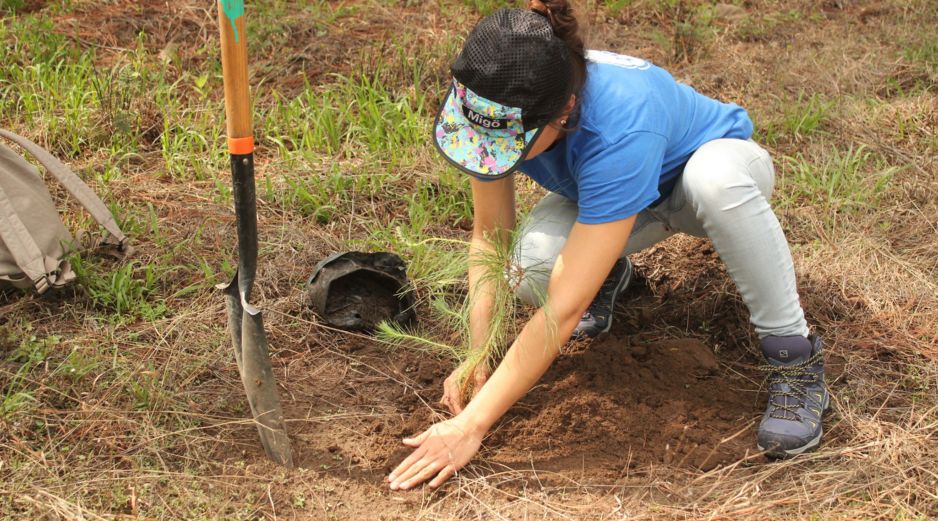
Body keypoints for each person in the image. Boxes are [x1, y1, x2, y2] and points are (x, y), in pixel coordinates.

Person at [387, 1, 828, 491]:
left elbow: (563, 309)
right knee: (525, 269)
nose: (490, 153)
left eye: (510, 143)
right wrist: (477, 354)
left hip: (703, 180)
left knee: (715, 182)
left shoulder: (617, 123)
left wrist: (471, 427)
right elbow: (491, 236)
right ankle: (606, 270)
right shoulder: (503, 94)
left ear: (565, 112)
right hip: (611, 199)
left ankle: (794, 356)